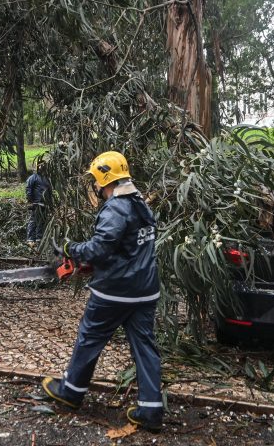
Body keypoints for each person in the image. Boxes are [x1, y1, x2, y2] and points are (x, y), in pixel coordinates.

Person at [41, 151, 163, 431]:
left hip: (115, 292)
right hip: (145, 290)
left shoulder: (116, 208)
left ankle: (71, 392)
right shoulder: (140, 203)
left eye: (96, 180)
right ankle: (151, 411)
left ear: (103, 178)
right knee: (145, 347)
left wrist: (73, 249)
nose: (95, 186)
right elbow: (128, 248)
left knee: (89, 337)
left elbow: (100, 247)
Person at [25, 160, 51, 246]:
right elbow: (28, 189)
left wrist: (50, 203)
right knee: (33, 221)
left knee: (42, 221)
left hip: (44, 204)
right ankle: (30, 239)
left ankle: (39, 238)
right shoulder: (33, 178)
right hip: (36, 204)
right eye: (40, 166)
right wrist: (30, 201)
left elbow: (49, 191)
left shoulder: (46, 178)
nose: (42, 167)